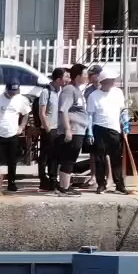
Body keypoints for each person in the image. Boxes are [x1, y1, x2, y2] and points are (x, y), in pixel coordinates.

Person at [85, 65, 130, 195]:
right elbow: (90, 115)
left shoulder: (118, 92)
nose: (113, 82)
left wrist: (125, 121)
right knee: (100, 158)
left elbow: (122, 109)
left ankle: (119, 185)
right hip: (99, 128)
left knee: (116, 158)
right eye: (110, 80)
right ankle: (101, 184)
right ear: (103, 81)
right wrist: (90, 132)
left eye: (113, 80)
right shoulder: (94, 95)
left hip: (114, 128)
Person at [0, 77, 31, 195]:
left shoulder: (20, 99)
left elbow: (26, 113)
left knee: (12, 161)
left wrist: (21, 127)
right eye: (11, 92)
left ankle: (11, 183)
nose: (13, 94)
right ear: (6, 89)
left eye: (15, 92)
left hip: (12, 134)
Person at [36, 68, 78, 196]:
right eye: (66, 77)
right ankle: (47, 180)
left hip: (60, 129)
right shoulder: (46, 92)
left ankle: (55, 180)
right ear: (58, 79)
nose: (68, 80)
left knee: (57, 157)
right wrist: (48, 129)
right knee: (47, 156)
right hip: (50, 129)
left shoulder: (62, 92)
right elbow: (42, 113)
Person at [58, 63, 90, 193]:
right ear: (77, 76)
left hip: (79, 129)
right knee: (69, 158)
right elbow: (63, 110)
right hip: (73, 129)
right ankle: (64, 187)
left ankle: (65, 185)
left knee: (71, 157)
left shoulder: (77, 90)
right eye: (84, 74)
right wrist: (67, 129)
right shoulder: (69, 90)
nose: (87, 76)